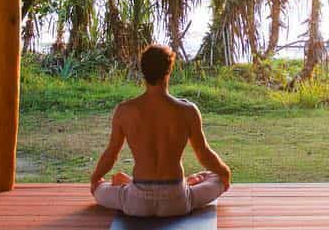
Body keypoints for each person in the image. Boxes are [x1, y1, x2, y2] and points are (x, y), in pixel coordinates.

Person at [89, 44, 231, 217]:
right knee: (214, 177)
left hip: (136, 202)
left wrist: (95, 179)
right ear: (169, 70)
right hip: (177, 201)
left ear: (143, 71)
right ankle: (187, 183)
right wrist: (225, 174)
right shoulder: (188, 110)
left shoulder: (124, 111)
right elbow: (204, 154)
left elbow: (111, 154)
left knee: (102, 187)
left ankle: (129, 184)